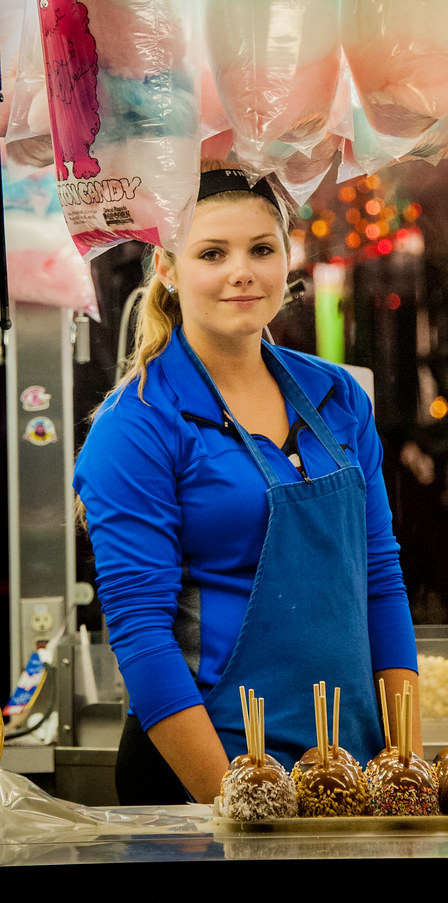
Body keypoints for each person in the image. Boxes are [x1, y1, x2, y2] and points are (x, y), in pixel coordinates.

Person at [73, 162, 421, 805]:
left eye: (262, 249)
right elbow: (141, 633)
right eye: (212, 253)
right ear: (169, 270)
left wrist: (405, 765)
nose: (243, 271)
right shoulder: (139, 425)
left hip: (349, 763)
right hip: (207, 769)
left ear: (286, 259)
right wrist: (233, 805)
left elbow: (380, 578)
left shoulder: (336, 395)